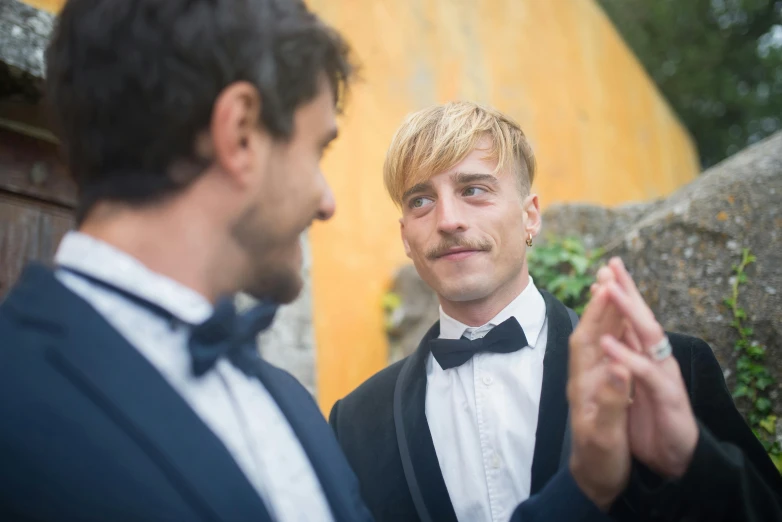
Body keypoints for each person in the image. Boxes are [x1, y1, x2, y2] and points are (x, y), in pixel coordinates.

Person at [0, 1, 643, 521]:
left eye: (473, 190)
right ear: (241, 133)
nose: (327, 200)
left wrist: (581, 490)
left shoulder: (288, 405)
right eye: (317, 150)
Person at [329, 101, 782, 522]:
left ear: (530, 216)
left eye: (473, 189)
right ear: (406, 236)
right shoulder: (355, 422)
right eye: (420, 200)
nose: (448, 219)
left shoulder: (672, 370)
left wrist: (693, 459)